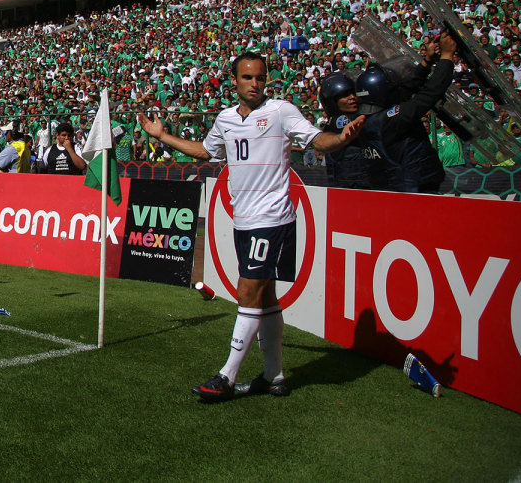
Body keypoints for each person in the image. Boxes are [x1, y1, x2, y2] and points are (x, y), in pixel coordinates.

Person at [138, 51, 365, 401]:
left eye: (260, 77)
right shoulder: (226, 119)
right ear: (235, 81)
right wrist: (162, 136)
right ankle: (274, 376)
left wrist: (340, 139)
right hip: (244, 219)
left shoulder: (281, 111)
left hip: (271, 218)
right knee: (267, 296)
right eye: (248, 77)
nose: (255, 83)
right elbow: (206, 151)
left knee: (247, 292)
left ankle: (227, 377)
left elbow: (316, 139)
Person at [355, 31, 457, 193]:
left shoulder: (366, 116)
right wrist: (446, 56)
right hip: (413, 189)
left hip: (394, 186)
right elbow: (430, 93)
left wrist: (427, 62)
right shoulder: (391, 119)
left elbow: (404, 88)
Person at [317, 72, 390, 189]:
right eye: (345, 95)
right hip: (353, 186)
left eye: (353, 93)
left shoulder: (333, 122)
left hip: (357, 183)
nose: (352, 97)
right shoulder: (341, 121)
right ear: (332, 101)